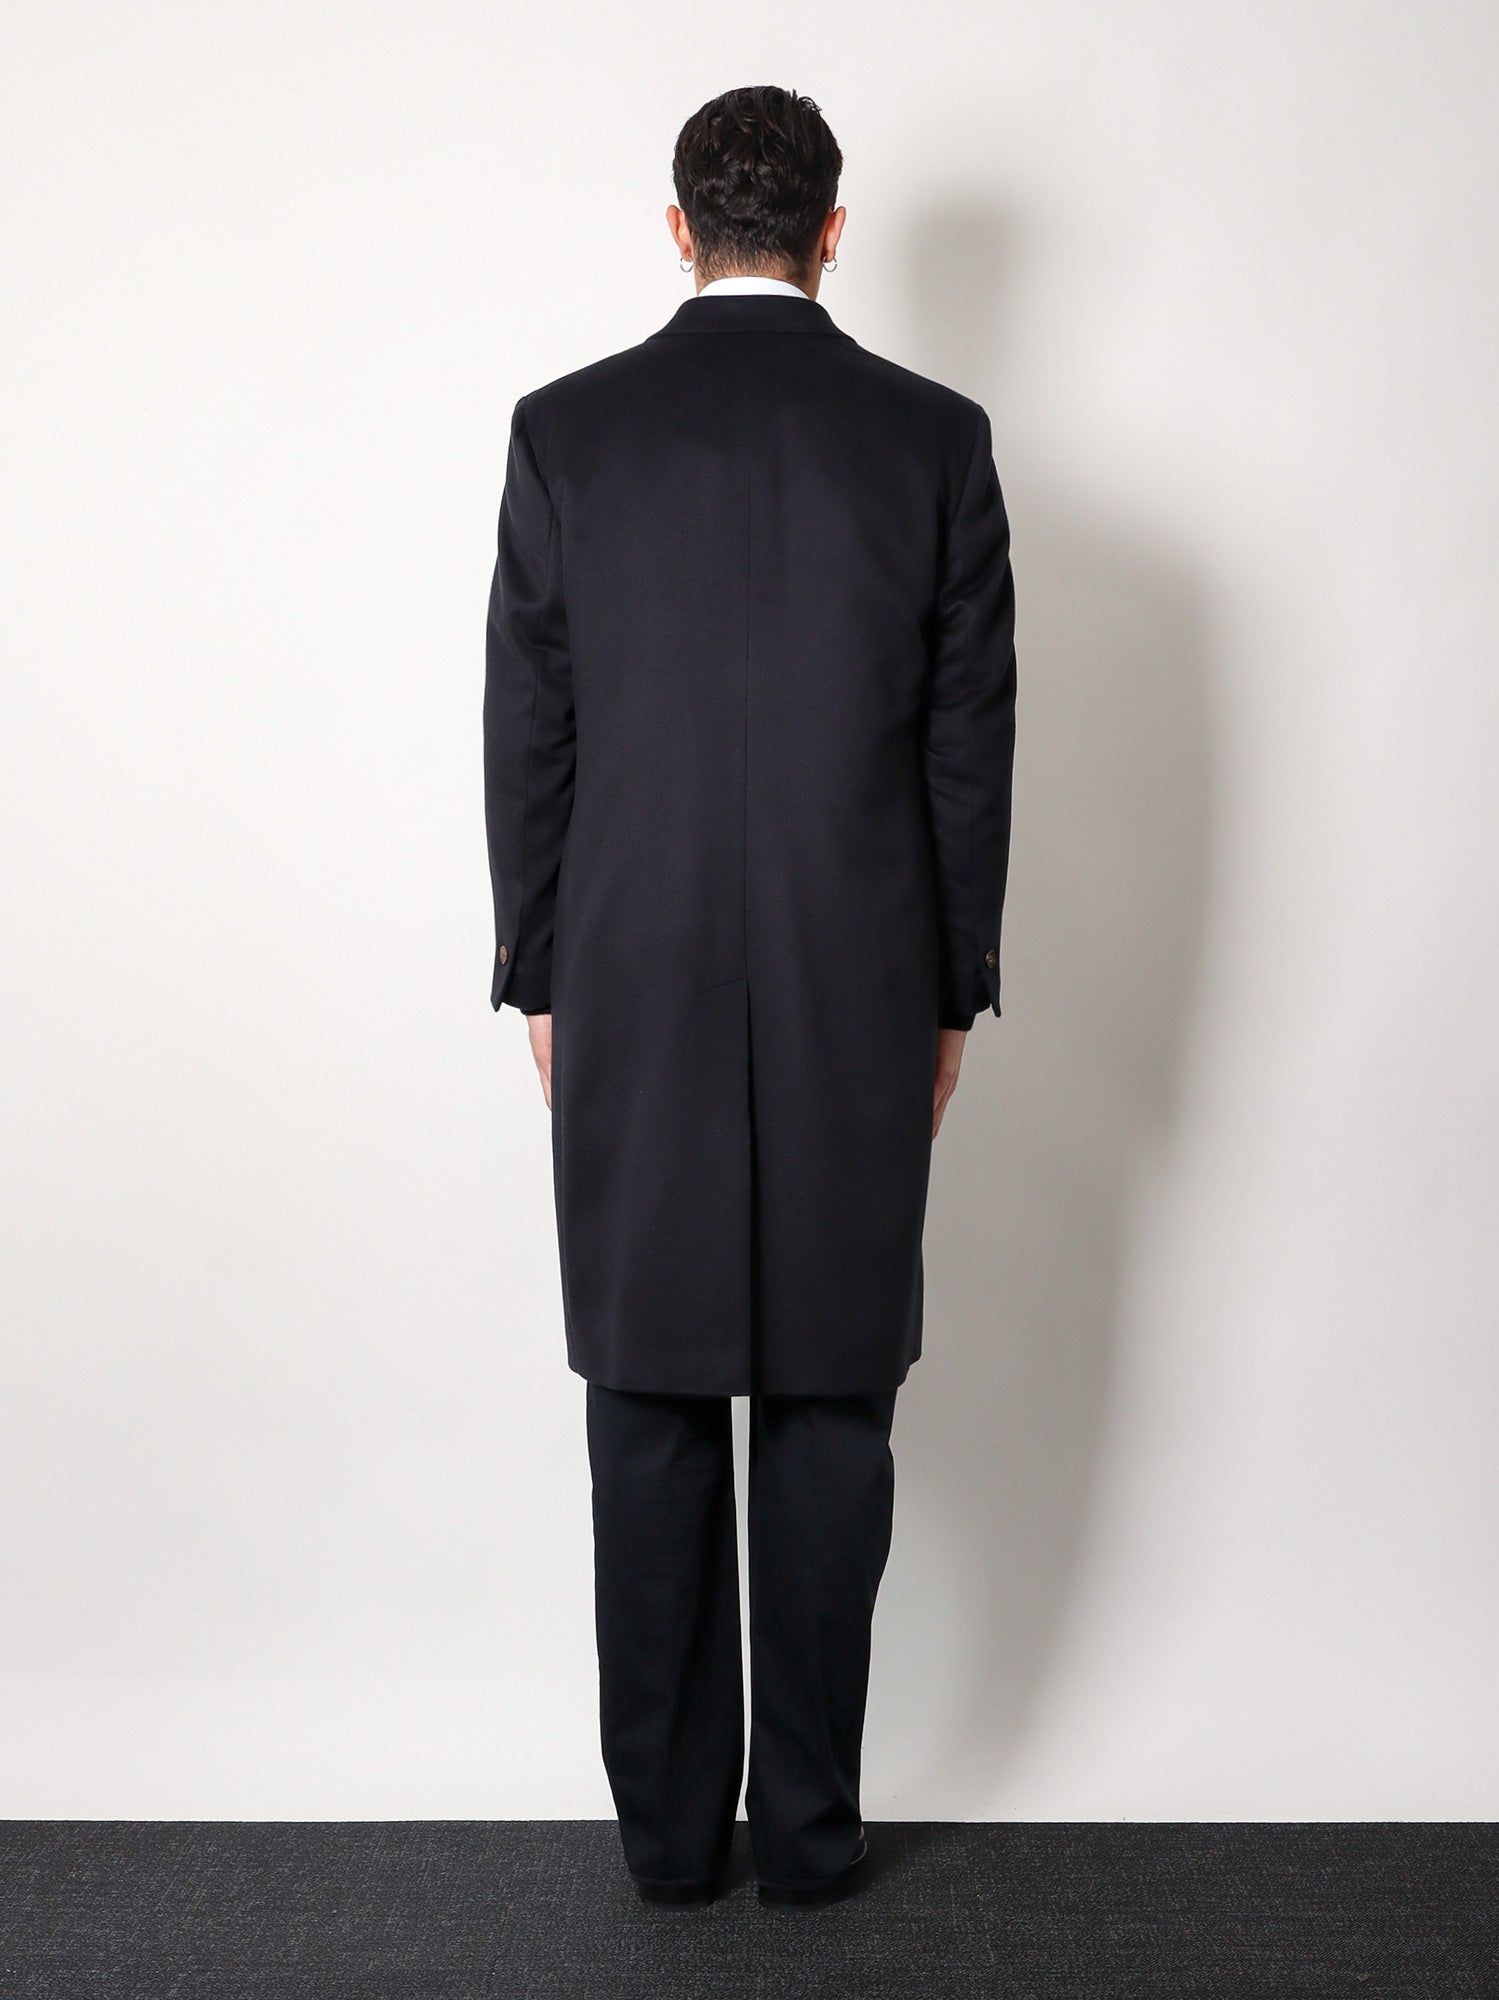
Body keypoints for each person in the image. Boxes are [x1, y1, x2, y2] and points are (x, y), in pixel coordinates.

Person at [483, 84, 1017, 1907]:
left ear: (678, 228)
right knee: (828, 1410)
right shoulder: (934, 441)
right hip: (858, 978)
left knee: (647, 1406)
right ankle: (807, 1834)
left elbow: (531, 730)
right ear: (832, 234)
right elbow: (968, 754)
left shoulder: (568, 433)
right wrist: (951, 991)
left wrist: (538, 969)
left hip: (626, 973)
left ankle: (666, 1843)